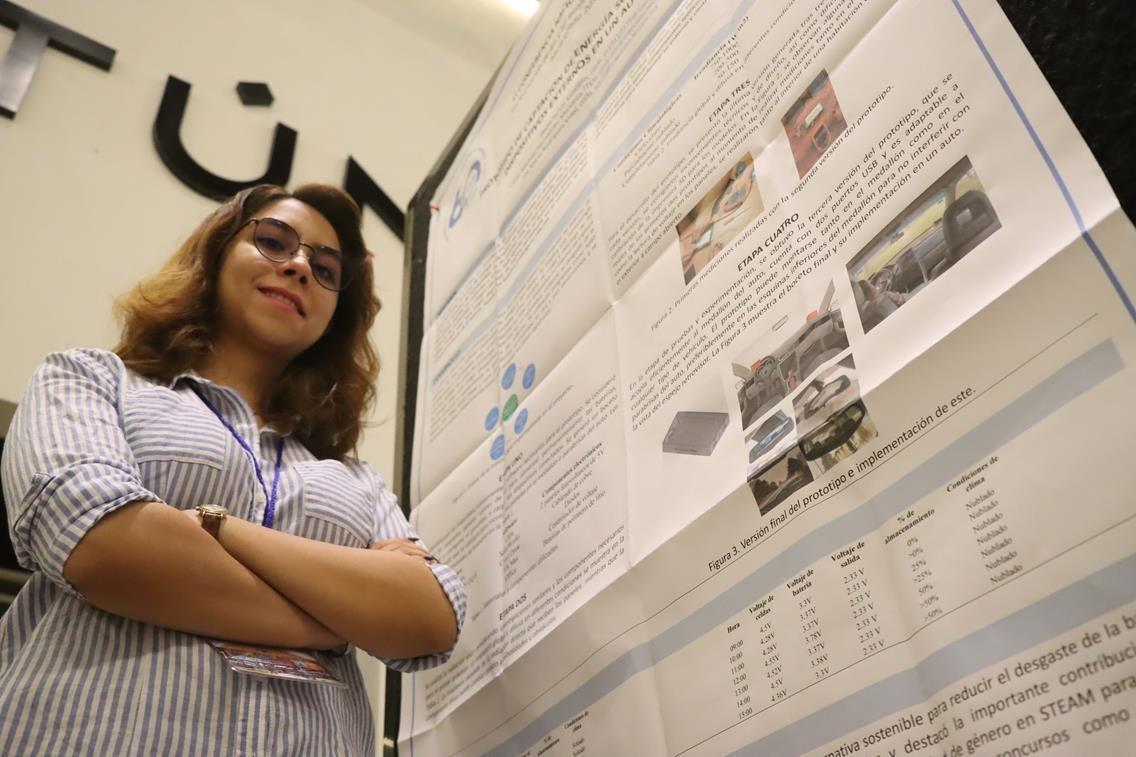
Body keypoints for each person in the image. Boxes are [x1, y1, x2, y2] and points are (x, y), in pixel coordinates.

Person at [0, 183, 466, 755]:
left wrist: (218, 527)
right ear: (216, 254)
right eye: (274, 241)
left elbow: (428, 618)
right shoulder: (92, 379)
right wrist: (338, 621)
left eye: (326, 270)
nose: (299, 267)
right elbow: (101, 544)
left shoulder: (355, 479)